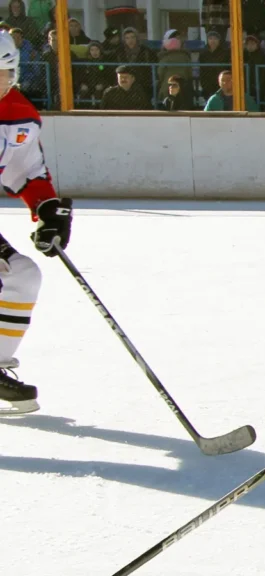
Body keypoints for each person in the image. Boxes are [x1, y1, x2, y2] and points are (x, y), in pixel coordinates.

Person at [0, 31, 74, 415]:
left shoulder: (19, 114)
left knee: (22, 276)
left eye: (5, 75)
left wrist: (46, 209)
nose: (0, 84)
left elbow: (27, 171)